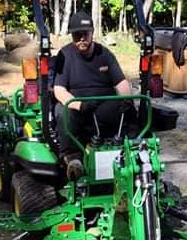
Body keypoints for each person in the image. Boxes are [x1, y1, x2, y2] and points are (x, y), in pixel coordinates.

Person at [52, 9, 135, 179]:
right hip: (77, 105)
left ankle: (132, 151)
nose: (81, 38)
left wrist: (127, 98)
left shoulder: (104, 54)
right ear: (72, 36)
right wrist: (79, 105)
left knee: (129, 110)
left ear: (92, 34)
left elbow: (121, 82)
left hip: (102, 104)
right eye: (77, 35)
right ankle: (73, 160)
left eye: (85, 34)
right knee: (63, 112)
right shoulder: (65, 55)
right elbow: (59, 90)